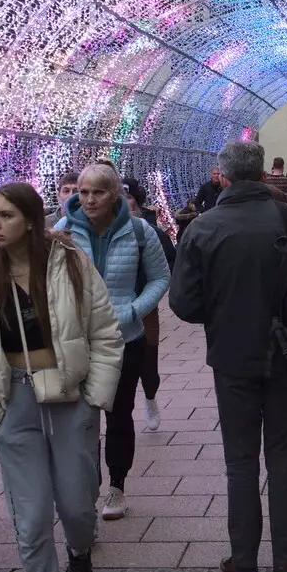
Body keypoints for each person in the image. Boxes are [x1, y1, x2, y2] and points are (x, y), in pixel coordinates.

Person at [0, 183, 123, 572]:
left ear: (30, 219)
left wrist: (94, 397)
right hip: (13, 400)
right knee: (29, 513)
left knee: (76, 503)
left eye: (6, 215)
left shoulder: (69, 263)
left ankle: (79, 551)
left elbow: (105, 333)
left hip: (68, 397)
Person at [170, 140, 287, 572]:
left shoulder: (202, 228)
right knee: (282, 458)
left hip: (232, 358)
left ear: (224, 175)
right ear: (259, 173)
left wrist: (222, 313)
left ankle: (244, 563)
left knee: (240, 462)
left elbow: (183, 303)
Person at [54, 163, 170, 519]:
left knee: (119, 415)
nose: (88, 199)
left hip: (125, 338)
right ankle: (87, 489)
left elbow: (159, 277)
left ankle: (117, 487)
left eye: (97, 192)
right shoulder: (64, 231)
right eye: (83, 192)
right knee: (81, 420)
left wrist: (134, 310)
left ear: (114, 195)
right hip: (78, 339)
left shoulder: (139, 231)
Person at [123, 179, 176, 433]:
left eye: (129, 196)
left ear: (137, 199)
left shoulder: (149, 231)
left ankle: (150, 399)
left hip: (144, 307)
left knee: (148, 359)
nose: (125, 202)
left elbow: (167, 265)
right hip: (113, 306)